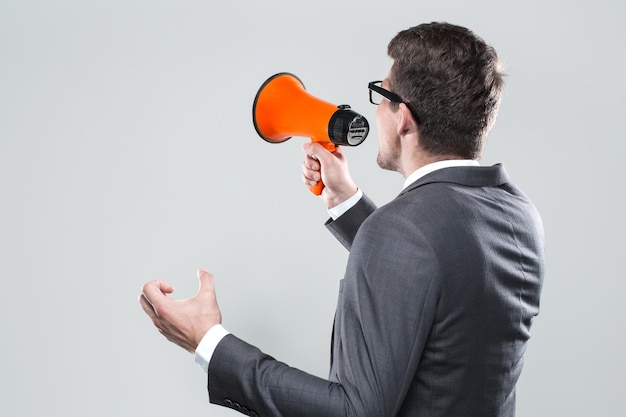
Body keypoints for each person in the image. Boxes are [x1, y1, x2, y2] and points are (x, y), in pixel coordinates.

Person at [139, 21, 545, 417]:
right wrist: (346, 200)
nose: (378, 109)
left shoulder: (401, 230)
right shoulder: (517, 212)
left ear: (403, 117)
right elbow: (436, 269)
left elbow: (354, 410)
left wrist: (207, 341)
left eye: (380, 95)